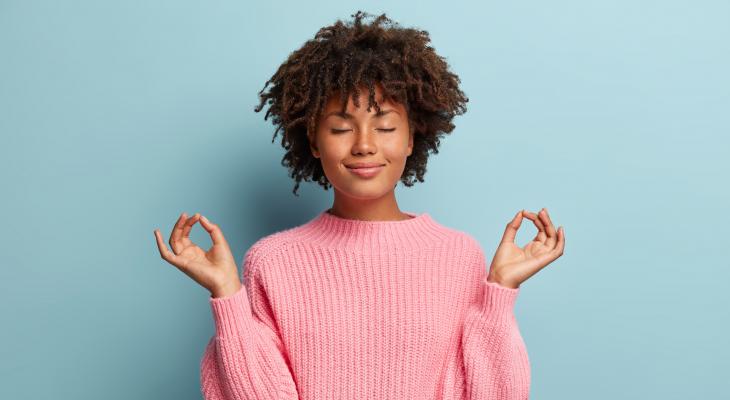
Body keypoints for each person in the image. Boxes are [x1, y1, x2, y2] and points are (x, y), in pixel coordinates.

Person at [153, 10, 565, 400]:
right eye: (340, 128)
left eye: (385, 126)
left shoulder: (458, 256)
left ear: (410, 138)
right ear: (314, 140)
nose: (365, 145)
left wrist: (500, 291)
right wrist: (228, 295)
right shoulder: (271, 261)